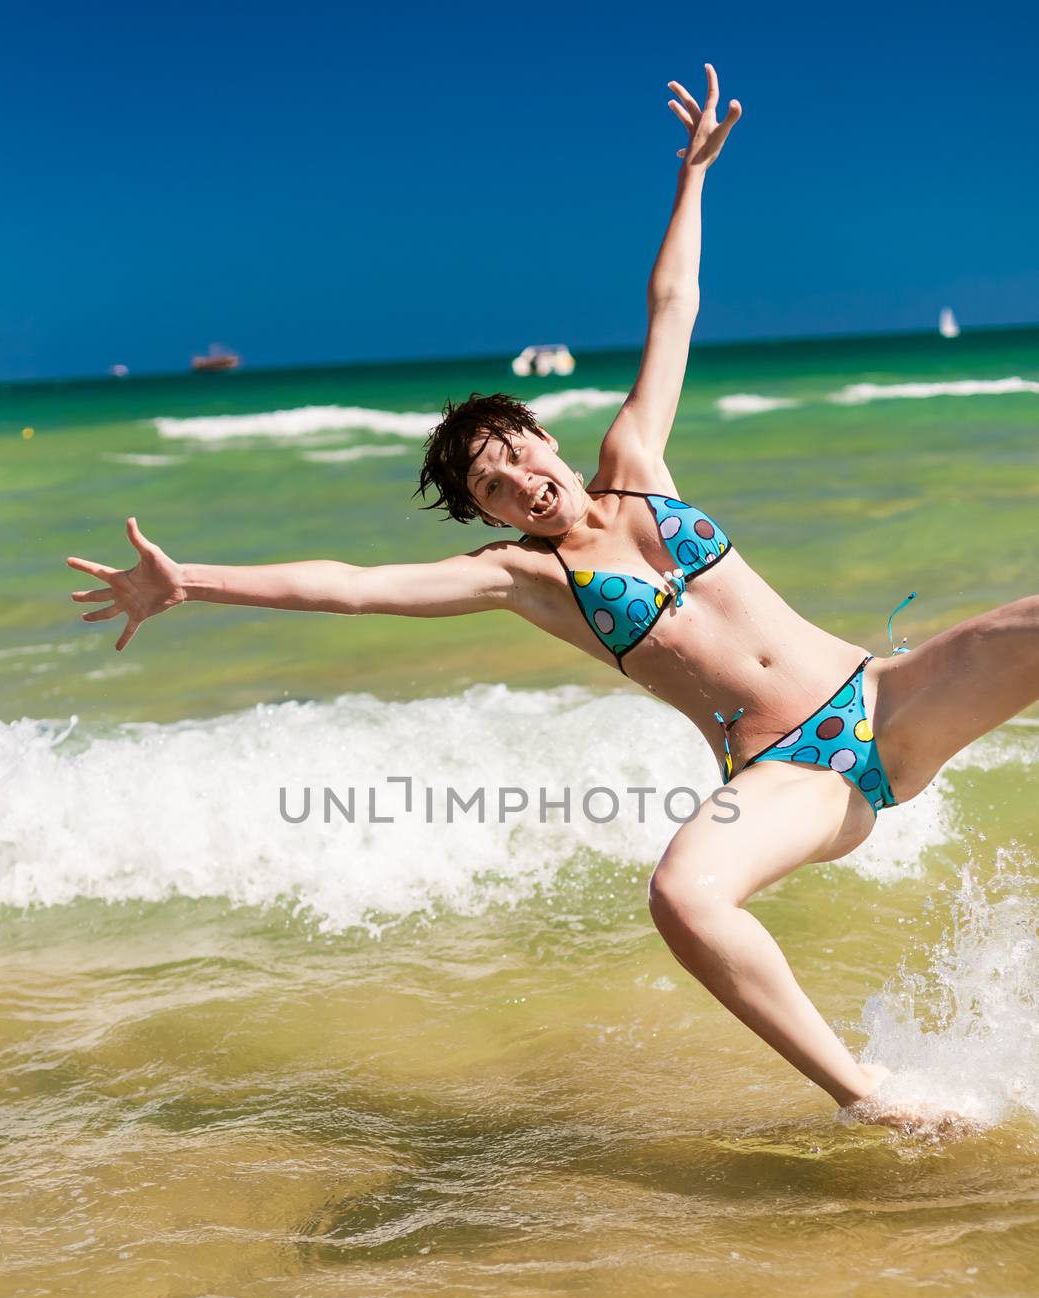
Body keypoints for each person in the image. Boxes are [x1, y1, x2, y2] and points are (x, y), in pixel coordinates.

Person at [68, 66, 1037, 1134]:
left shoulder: (636, 460)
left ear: (541, 436)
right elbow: (350, 587)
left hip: (883, 697)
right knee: (681, 898)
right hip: (791, 774)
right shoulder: (525, 581)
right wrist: (189, 581)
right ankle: (874, 1098)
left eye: (512, 454)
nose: (516, 481)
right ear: (489, 512)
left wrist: (692, 183)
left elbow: (672, 308)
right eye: (489, 487)